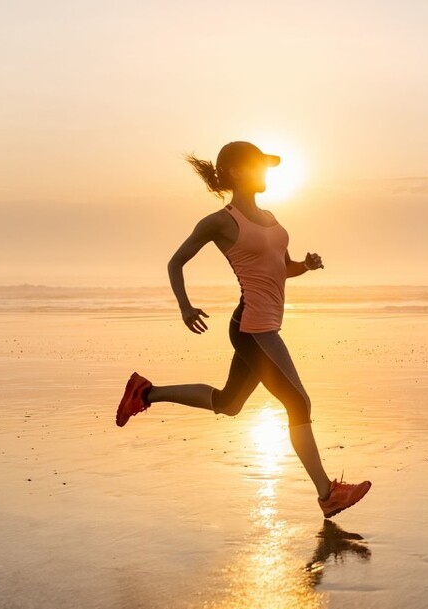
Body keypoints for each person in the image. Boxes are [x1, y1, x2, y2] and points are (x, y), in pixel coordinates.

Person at [115, 141, 371, 519]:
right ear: (236, 172)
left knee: (229, 404)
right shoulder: (221, 221)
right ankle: (327, 493)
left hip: (263, 326)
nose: (266, 174)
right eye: (259, 167)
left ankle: (146, 393)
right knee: (298, 403)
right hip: (252, 329)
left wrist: (306, 265)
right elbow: (175, 263)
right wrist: (185, 306)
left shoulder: (270, 216)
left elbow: (283, 269)